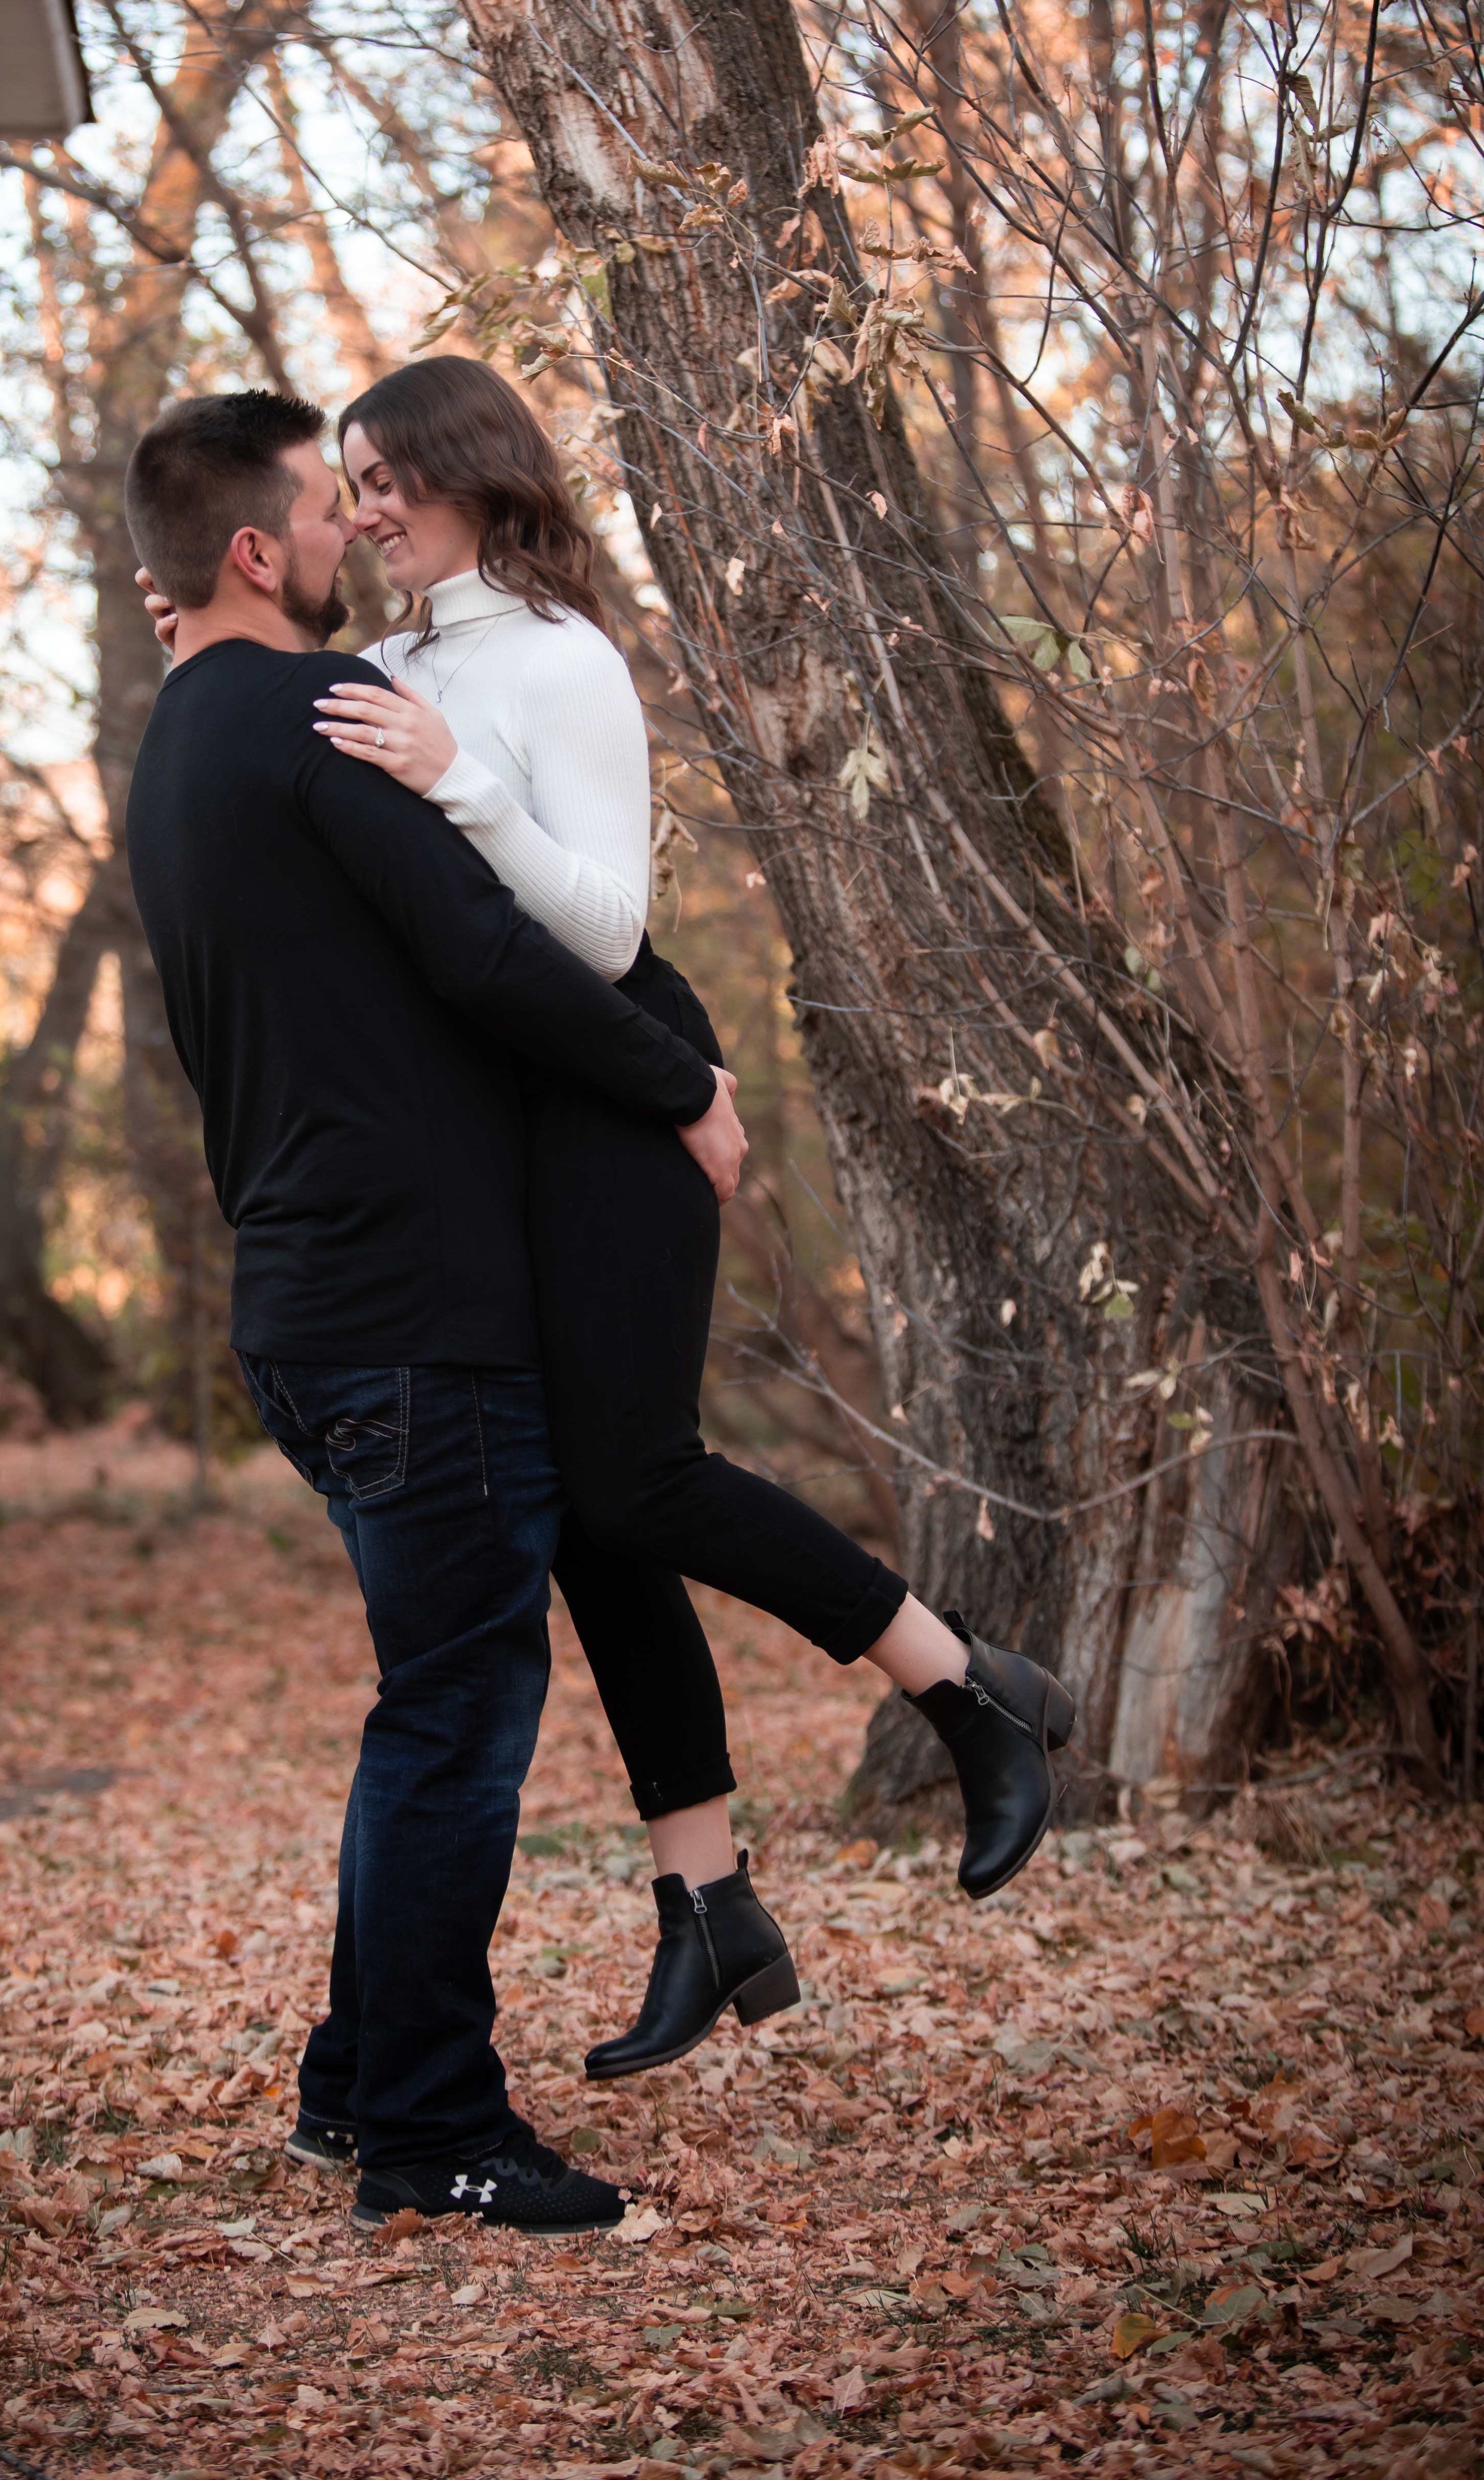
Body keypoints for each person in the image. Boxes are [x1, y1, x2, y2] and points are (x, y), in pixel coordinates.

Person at [141, 356, 1075, 2089]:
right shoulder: (375, 664)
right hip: (515, 1116)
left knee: (631, 1475)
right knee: (578, 1505)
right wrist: (191, 610)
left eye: (387, 475)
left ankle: (965, 1685)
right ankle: (708, 1906)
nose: (363, 505)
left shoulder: (565, 665)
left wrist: (466, 788)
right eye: (341, 483)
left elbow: (597, 924)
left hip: (624, 1077)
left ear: (474, 475)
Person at [122, 386, 750, 2239]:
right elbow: (491, 948)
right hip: (411, 1313)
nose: (349, 534)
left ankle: (350, 2081)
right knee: (457, 1715)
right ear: (255, 554)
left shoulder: (183, 738)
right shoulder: (311, 719)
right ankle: (428, 2123)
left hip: (307, 1310)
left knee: (437, 1697)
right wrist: (678, 1088)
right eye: (326, 507)